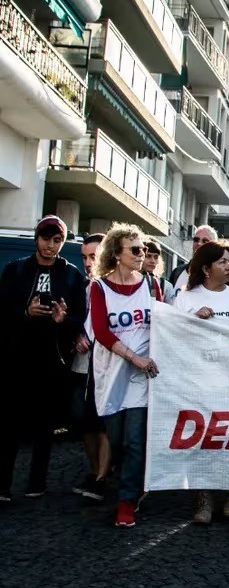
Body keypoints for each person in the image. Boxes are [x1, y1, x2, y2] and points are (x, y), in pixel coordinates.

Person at [0, 215, 87, 502]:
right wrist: (25, 313)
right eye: (45, 239)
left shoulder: (73, 274)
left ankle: (37, 482)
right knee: (9, 423)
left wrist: (64, 319)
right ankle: (3, 486)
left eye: (57, 240)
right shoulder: (15, 270)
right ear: (37, 238)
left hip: (54, 359)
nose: (50, 246)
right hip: (17, 357)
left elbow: (83, 318)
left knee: (44, 425)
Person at [173, 241, 229, 524]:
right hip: (200, 378)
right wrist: (192, 320)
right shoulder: (187, 298)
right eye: (222, 261)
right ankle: (203, 496)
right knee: (204, 437)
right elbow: (172, 336)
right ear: (206, 268)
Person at [89, 223, 162, 527]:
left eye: (143, 248)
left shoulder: (151, 284)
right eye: (134, 249)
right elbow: (102, 332)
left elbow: (164, 320)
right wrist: (132, 357)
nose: (141, 253)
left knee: (134, 440)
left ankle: (126, 501)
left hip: (142, 376)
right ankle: (122, 480)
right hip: (113, 370)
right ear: (116, 253)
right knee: (116, 439)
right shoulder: (99, 287)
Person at [70, 233, 111, 502]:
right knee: (84, 422)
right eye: (84, 257)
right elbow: (75, 319)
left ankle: (102, 478)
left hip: (108, 365)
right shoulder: (82, 285)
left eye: (93, 257)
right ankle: (95, 471)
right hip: (82, 366)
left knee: (104, 423)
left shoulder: (115, 287)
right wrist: (74, 333)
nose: (87, 262)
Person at [168, 225, 217, 292]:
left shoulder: (219, 276)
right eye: (196, 240)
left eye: (205, 241)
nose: (199, 243)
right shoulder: (177, 272)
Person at [143, 238, 176, 303]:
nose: (152, 261)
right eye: (148, 256)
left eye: (156, 257)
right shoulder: (129, 280)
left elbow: (171, 310)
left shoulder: (165, 286)